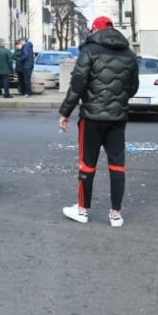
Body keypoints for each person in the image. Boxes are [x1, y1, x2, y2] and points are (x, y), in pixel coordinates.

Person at [58, 16, 139, 228]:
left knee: (87, 164)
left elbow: (77, 84)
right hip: (117, 117)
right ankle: (116, 214)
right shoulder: (129, 54)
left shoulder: (89, 50)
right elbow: (133, 88)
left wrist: (65, 112)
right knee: (117, 165)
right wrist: (117, 99)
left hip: (91, 117)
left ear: (94, 30)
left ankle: (82, 210)